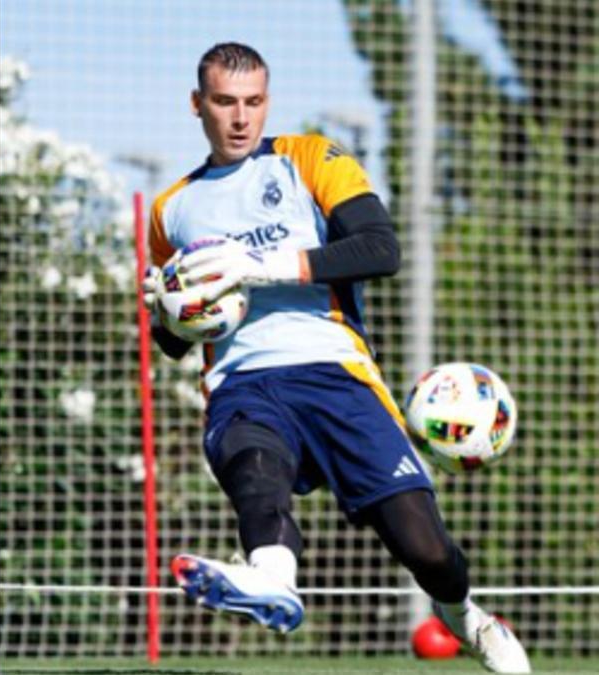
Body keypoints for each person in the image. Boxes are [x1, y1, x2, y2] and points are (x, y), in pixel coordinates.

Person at [141, 42, 529, 673]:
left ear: (267, 102)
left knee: (427, 551)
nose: (241, 118)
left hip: (334, 371)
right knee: (253, 471)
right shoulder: (172, 210)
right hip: (244, 379)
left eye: (254, 102)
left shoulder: (309, 159)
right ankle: (272, 577)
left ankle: (469, 620)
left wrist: (259, 267)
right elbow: (173, 344)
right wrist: (170, 310)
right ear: (197, 104)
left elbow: (380, 248)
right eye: (224, 102)